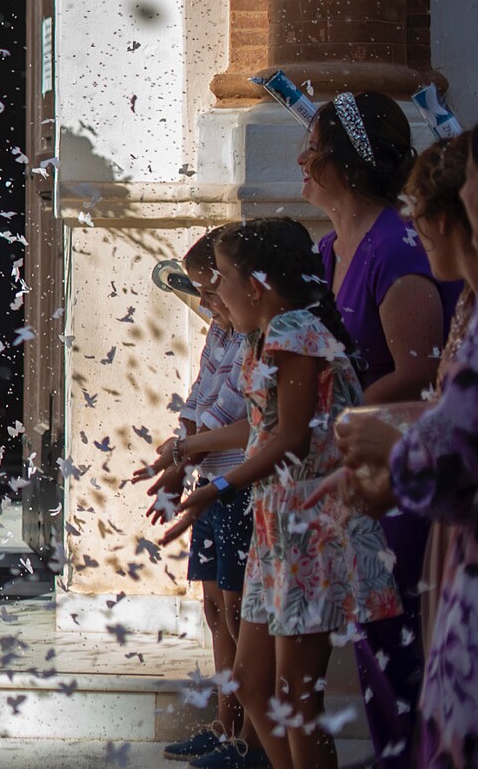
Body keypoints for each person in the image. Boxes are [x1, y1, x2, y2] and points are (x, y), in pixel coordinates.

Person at [161, 218, 401, 769]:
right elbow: (262, 427)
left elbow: (291, 438)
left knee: (296, 697)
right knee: (251, 683)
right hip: (279, 522)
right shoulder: (268, 335)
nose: (213, 292)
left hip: (309, 522)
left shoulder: (293, 332)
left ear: (256, 284)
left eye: (219, 278)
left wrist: (219, 485)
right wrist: (184, 455)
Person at [300, 91, 454, 766]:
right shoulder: (332, 248)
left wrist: (331, 422)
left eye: (311, 148)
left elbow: (421, 376)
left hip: (400, 476)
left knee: (402, 653)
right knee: (373, 650)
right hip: (354, 465)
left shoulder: (396, 248)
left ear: (342, 165)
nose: (300, 159)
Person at [324, 132, 478, 769]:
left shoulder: (393, 252)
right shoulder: (468, 302)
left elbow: (447, 417)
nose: (419, 231)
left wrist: (394, 444)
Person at [134, 229, 255, 767]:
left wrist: (180, 452)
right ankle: (224, 723)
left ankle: (248, 736)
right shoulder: (222, 336)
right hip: (210, 484)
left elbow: (239, 414)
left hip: (239, 486)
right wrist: (180, 458)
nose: (208, 304)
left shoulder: (257, 339)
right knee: (213, 610)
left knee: (239, 613)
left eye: (213, 290)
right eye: (204, 294)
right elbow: (202, 392)